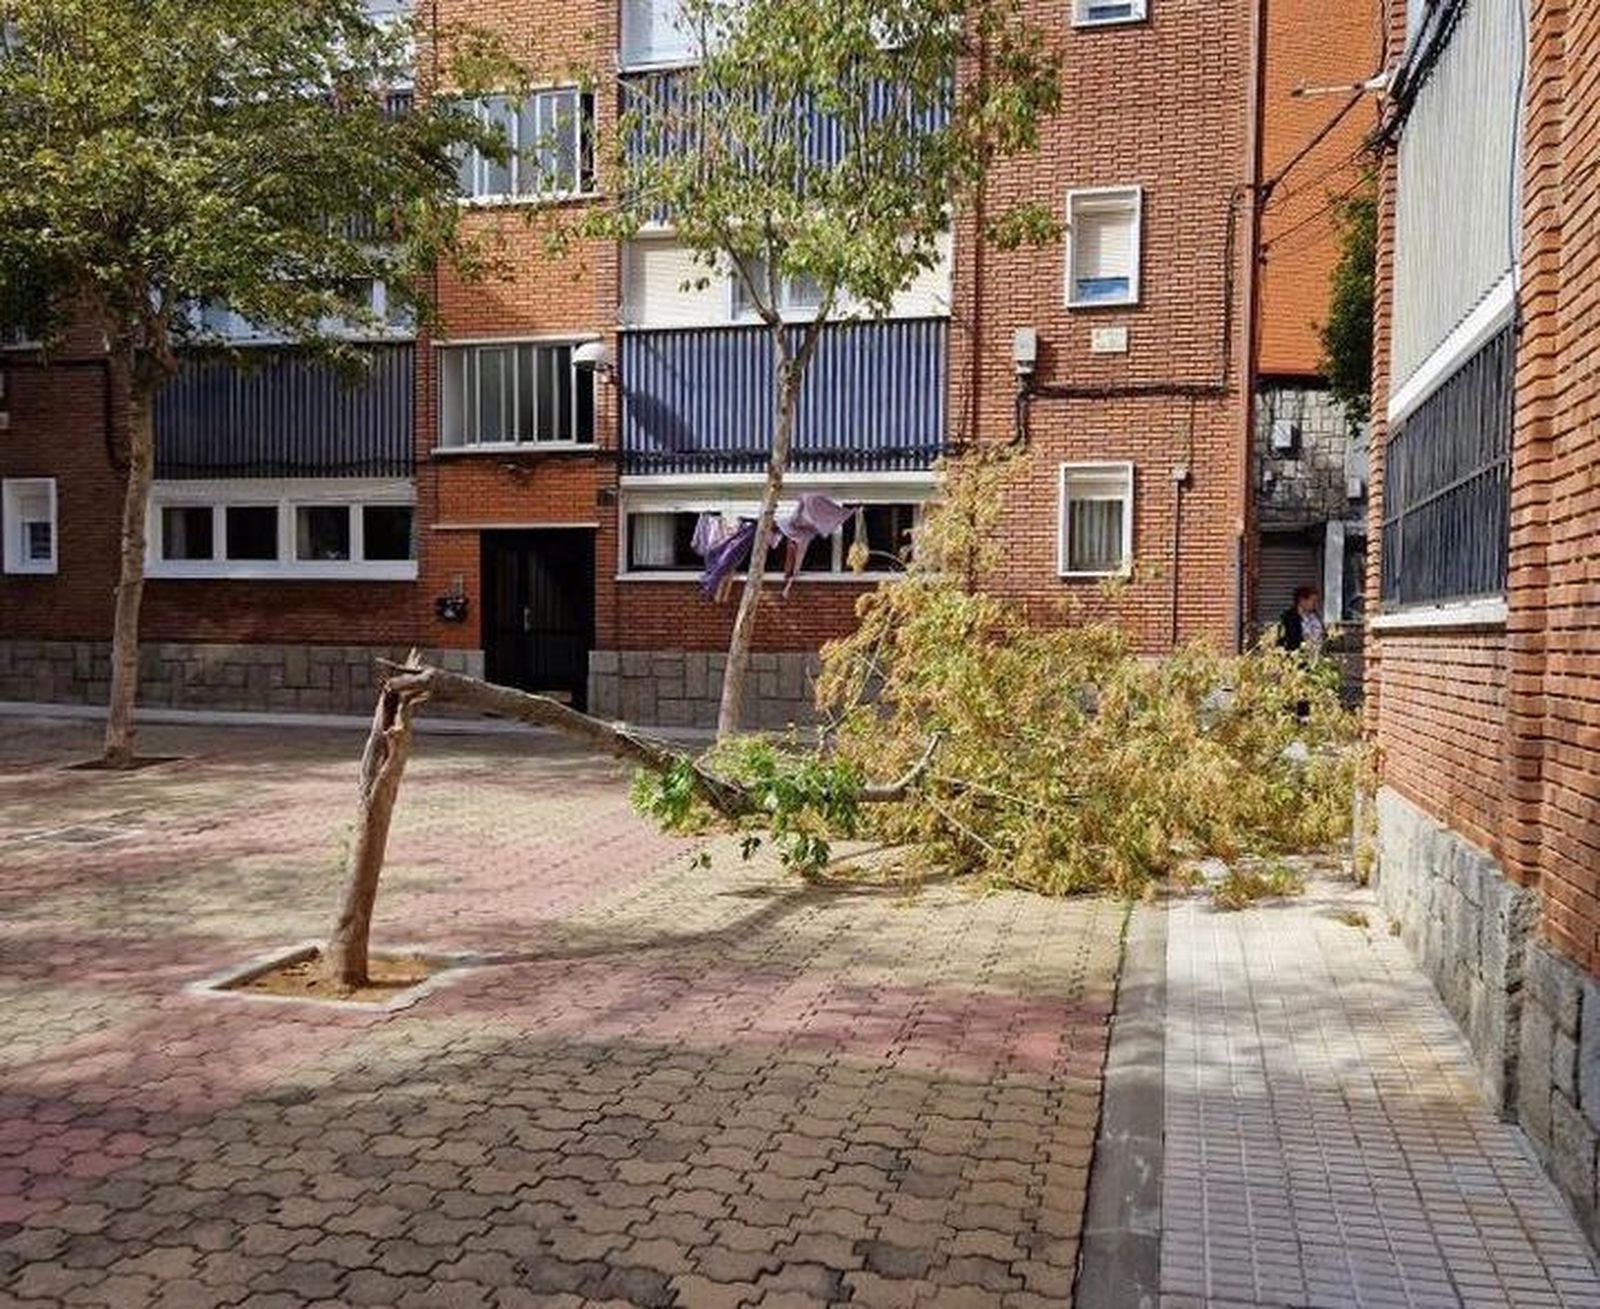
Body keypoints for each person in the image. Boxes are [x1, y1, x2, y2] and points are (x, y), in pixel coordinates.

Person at [1276, 585, 1325, 656]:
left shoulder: (1315, 617)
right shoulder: (1289, 618)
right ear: (1302, 600)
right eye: (1313, 601)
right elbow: (1287, 640)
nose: (1315, 604)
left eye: (1316, 601)